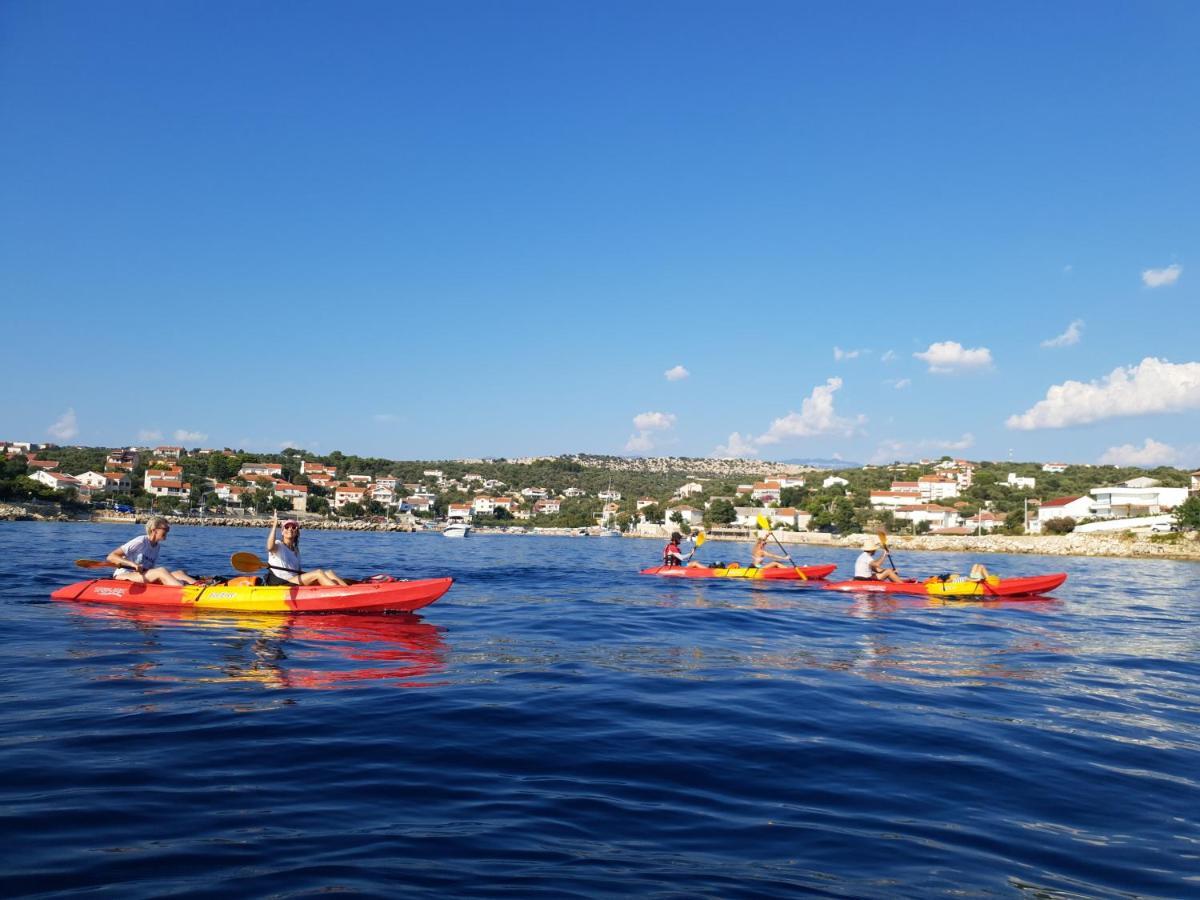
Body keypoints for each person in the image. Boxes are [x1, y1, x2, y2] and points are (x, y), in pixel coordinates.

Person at [107, 516, 199, 586]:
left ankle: (200, 586)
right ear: (154, 530)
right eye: (165, 529)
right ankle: (186, 591)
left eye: (168, 529)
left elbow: (150, 569)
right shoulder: (140, 541)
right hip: (124, 574)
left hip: (141, 575)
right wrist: (133, 565)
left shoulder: (157, 546)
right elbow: (111, 556)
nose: (167, 532)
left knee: (179, 573)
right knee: (161, 571)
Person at [266, 512, 349, 587]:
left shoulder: (296, 551)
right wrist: (274, 526)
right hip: (282, 582)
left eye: (293, 527)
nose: (290, 529)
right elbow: (269, 547)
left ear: (296, 532)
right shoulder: (278, 545)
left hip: (294, 580)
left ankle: (347, 590)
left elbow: (298, 571)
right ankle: (340, 593)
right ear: (282, 532)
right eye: (287, 527)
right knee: (318, 573)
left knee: (329, 573)